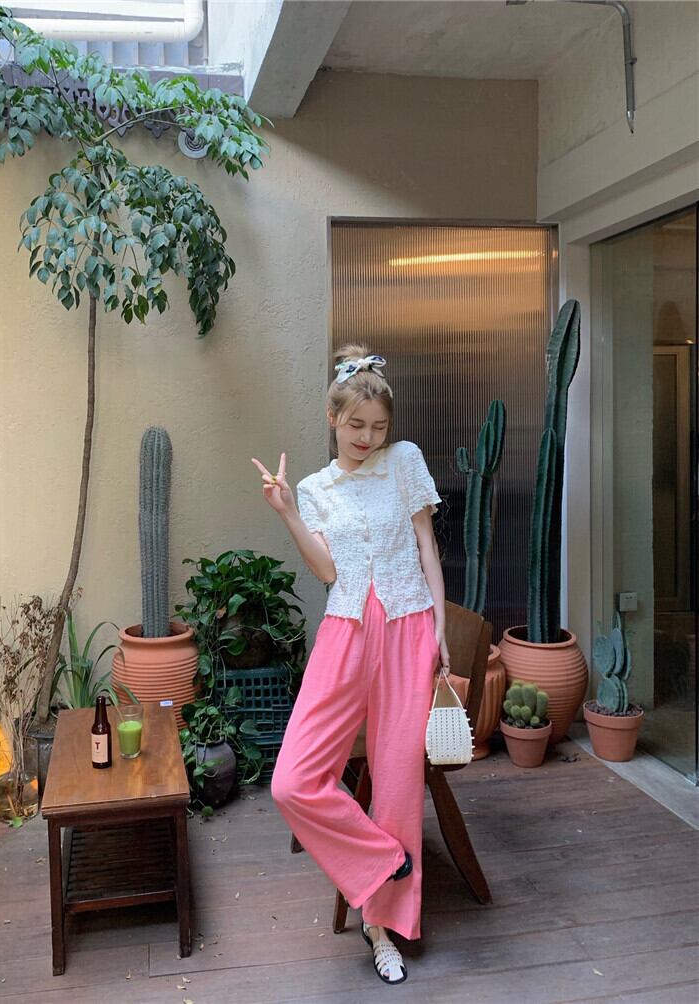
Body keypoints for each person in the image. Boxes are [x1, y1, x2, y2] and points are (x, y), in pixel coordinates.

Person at [250, 344, 449, 985]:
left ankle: (381, 929)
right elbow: (327, 570)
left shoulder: (405, 461)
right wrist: (286, 510)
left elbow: (426, 545)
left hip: (408, 627)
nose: (367, 437)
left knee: (397, 782)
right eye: (356, 425)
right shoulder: (314, 489)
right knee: (292, 781)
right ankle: (380, 859)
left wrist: (439, 629)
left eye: (378, 427)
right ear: (333, 418)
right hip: (345, 631)